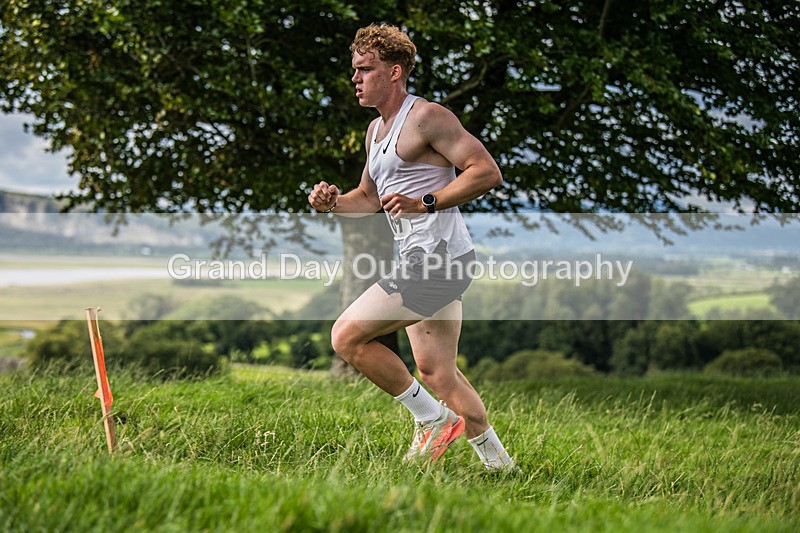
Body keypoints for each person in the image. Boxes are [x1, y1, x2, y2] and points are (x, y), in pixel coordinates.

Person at [308, 23, 513, 469]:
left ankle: (431, 420)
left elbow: (485, 171)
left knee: (346, 337)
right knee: (438, 374)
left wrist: (427, 202)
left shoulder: (427, 117)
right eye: (354, 70)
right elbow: (366, 200)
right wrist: (331, 203)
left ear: (395, 71)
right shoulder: (375, 132)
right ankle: (501, 468)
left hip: (439, 261)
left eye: (366, 69)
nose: (355, 79)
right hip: (426, 260)